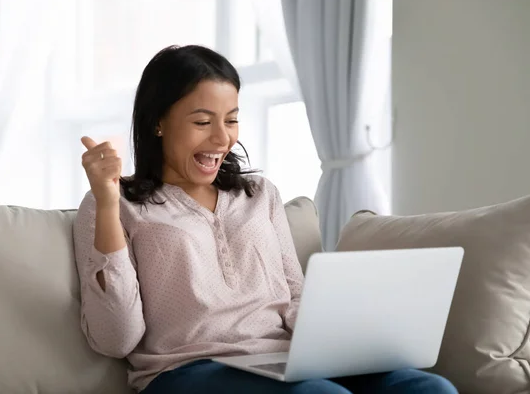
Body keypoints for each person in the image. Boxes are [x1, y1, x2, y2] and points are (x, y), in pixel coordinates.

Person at [73, 45, 457, 394]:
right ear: (158, 122)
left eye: (232, 120)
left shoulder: (259, 194)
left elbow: (294, 297)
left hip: (281, 362)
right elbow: (115, 338)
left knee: (428, 388)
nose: (222, 139)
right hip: (183, 372)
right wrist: (107, 203)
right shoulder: (113, 203)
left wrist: (350, 338)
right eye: (203, 122)